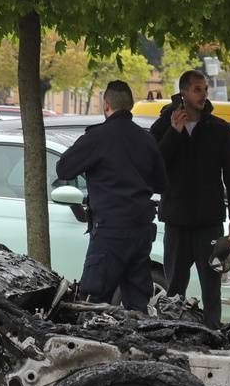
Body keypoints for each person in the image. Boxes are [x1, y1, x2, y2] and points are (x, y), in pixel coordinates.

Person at [55, 80, 168, 311]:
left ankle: (95, 346)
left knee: (94, 302)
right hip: (141, 231)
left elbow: (64, 168)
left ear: (106, 105)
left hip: (110, 232)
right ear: (131, 105)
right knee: (138, 303)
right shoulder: (146, 139)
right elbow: (161, 184)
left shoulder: (98, 137)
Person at [150, 68, 230, 327]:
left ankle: (213, 336)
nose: (204, 94)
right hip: (177, 222)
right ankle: (174, 336)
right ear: (183, 92)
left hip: (209, 223)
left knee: (211, 290)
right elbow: (153, 167)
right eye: (197, 89)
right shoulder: (162, 125)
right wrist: (174, 133)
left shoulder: (219, 129)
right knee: (174, 290)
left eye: (205, 89)